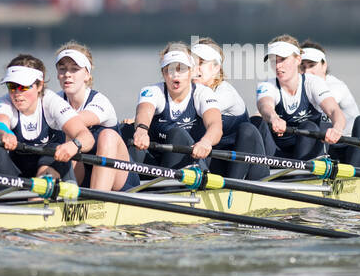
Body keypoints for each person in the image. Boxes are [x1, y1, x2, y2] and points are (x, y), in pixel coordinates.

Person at [0, 54, 96, 182]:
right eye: (12, 86)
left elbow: (86, 137)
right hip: (14, 177)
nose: (17, 93)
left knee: (52, 150)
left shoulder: (52, 102)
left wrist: (74, 145)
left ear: (39, 86)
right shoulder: (3, 102)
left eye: (23, 87)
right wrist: (6, 133)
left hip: (50, 170)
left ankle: (37, 197)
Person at [128, 42, 223, 171]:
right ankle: (127, 185)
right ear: (163, 73)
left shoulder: (203, 93)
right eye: (170, 69)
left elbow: (215, 125)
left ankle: (168, 187)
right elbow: (145, 110)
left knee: (177, 134)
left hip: (191, 162)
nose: (175, 75)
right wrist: (141, 131)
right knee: (126, 130)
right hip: (156, 163)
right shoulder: (152, 91)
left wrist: (206, 142)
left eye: (181, 69)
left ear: (191, 72)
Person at [53, 42, 134, 190]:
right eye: (62, 69)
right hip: (80, 175)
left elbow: (76, 120)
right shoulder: (53, 101)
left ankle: (99, 202)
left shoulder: (100, 101)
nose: (67, 75)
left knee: (106, 135)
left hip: (117, 177)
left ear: (87, 75)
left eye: (75, 69)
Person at [254, 34, 347, 161]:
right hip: (277, 154)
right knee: (255, 123)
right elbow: (265, 105)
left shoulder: (313, 83)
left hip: (309, 152)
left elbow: (334, 111)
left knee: (308, 126)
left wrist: (337, 129)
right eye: (273, 61)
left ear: (298, 59)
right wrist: (274, 118)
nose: (277, 66)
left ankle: (300, 175)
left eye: (282, 59)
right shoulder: (266, 85)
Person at [191, 36, 268, 180]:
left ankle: (235, 188)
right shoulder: (189, 92)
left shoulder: (225, 93)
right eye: (192, 63)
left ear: (216, 68)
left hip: (247, 166)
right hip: (216, 161)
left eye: (201, 63)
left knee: (247, 129)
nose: (195, 68)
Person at [299, 39, 360, 168]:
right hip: (326, 148)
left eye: (312, 65)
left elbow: (322, 105)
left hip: (351, 149)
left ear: (324, 66)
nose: (307, 72)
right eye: (302, 67)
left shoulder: (335, 86)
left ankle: (357, 178)